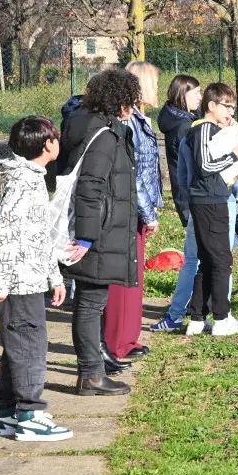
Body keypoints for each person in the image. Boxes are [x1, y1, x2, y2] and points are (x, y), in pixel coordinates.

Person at [0, 115, 72, 441]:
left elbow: (40, 236)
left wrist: (55, 277)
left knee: (16, 348)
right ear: (47, 144)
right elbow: (4, 233)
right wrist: (0, 283)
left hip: (33, 278)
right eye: (55, 136)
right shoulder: (22, 183)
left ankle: (9, 414)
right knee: (29, 348)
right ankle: (31, 414)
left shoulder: (33, 177)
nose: (58, 141)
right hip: (18, 282)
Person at [57, 68, 139, 396]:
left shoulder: (86, 124)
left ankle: (91, 372)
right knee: (91, 301)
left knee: (91, 300)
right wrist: (87, 237)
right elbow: (91, 186)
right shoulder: (104, 133)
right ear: (117, 100)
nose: (133, 108)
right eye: (130, 101)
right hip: (98, 231)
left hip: (99, 227)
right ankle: (91, 374)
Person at [103, 60, 162, 364]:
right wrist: (148, 212)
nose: (158, 88)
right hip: (128, 208)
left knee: (135, 276)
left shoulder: (139, 118)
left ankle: (128, 338)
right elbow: (134, 171)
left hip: (137, 207)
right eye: (154, 81)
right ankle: (116, 342)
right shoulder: (127, 121)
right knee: (123, 278)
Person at [186, 83, 238, 336]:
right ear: (211, 106)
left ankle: (197, 318)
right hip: (209, 200)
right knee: (222, 260)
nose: (231, 111)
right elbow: (205, 166)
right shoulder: (204, 129)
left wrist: (233, 134)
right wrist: (235, 155)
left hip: (210, 198)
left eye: (233, 106)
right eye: (227, 106)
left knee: (209, 260)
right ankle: (222, 319)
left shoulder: (212, 129)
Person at [158, 74, 201, 212]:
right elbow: (200, 162)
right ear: (183, 94)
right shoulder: (183, 127)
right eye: (196, 93)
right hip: (191, 200)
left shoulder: (181, 117)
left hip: (188, 197)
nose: (200, 97)